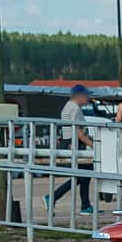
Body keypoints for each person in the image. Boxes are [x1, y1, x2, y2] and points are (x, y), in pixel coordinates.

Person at [48, 84, 96, 214]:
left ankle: (85, 205)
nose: (88, 98)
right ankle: (53, 197)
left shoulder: (67, 107)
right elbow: (77, 131)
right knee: (82, 176)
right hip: (74, 144)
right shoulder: (75, 109)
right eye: (87, 95)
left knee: (85, 174)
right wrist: (92, 144)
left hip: (69, 143)